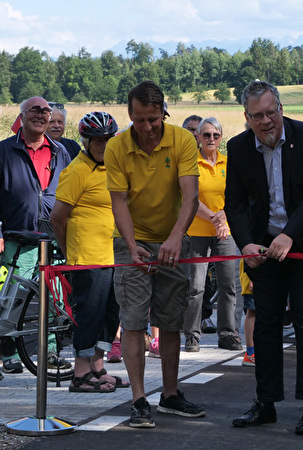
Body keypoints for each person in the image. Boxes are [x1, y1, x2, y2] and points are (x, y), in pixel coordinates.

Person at [225, 81, 303, 435]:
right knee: (265, 324)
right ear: (246, 117)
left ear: (281, 109)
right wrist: (246, 243)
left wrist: (289, 235)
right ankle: (266, 403)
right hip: (265, 248)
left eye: (271, 112)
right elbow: (233, 203)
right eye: (257, 116)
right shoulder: (238, 147)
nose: (266, 122)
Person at [104, 81, 204, 428]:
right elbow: (119, 202)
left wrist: (175, 239)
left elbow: (190, 196)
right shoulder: (116, 147)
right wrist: (132, 248)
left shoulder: (182, 140)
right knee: (132, 320)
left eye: (154, 120)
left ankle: (171, 394)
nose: (147, 128)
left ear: (163, 112)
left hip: (172, 237)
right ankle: (138, 399)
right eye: (140, 120)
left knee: (172, 318)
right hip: (133, 240)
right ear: (130, 115)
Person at [51, 111, 129, 393]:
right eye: (97, 140)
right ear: (85, 141)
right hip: (87, 257)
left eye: (108, 139)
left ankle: (97, 367)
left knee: (111, 315)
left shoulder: (114, 168)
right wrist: (69, 249)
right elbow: (57, 219)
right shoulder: (76, 171)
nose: (103, 145)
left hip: (113, 254)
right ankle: (80, 374)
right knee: (90, 315)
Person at [0, 96, 71, 374]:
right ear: (22, 116)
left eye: (46, 111)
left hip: (53, 236)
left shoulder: (60, 151)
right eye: (35, 110)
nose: (41, 115)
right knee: (11, 298)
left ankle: (50, 351)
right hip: (18, 236)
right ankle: (7, 354)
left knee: (54, 298)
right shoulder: (5, 150)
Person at [182, 117, 239, 352]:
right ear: (198, 137)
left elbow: (237, 195)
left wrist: (223, 218)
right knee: (195, 287)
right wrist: (216, 218)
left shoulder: (229, 163)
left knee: (228, 286)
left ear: (221, 137)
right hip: (197, 231)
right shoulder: (191, 162)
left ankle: (227, 333)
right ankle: (192, 335)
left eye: (215, 135)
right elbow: (190, 198)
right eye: (206, 135)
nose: (211, 139)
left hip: (225, 232)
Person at [239, 260, 256, 367]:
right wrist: (252, 277)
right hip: (252, 271)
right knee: (253, 311)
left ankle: (254, 352)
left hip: (264, 273)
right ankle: (250, 353)